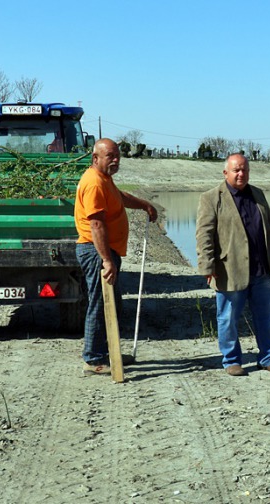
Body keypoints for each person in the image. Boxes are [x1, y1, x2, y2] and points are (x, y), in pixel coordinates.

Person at [196, 153, 270, 376]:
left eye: (244, 169)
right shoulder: (210, 198)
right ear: (225, 172)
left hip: (261, 269)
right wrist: (207, 267)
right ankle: (231, 360)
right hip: (229, 270)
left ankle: (268, 358)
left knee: (266, 318)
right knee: (227, 318)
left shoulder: (258, 194)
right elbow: (204, 235)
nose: (241, 174)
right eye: (236, 170)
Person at [75, 138, 158, 376]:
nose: (115, 160)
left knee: (112, 304)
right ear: (95, 158)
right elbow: (97, 224)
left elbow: (119, 197)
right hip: (96, 251)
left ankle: (108, 352)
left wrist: (144, 205)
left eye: (117, 156)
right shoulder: (94, 183)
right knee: (100, 304)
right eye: (110, 156)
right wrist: (107, 260)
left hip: (104, 251)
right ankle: (93, 360)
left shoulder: (104, 180)